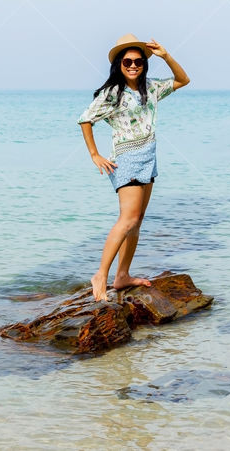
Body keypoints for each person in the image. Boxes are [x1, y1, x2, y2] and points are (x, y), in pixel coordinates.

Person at [77, 33, 190, 302]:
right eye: (127, 61)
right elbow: (85, 119)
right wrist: (94, 154)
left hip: (149, 157)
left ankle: (122, 276)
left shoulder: (150, 89)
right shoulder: (112, 94)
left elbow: (183, 80)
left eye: (138, 61)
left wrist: (166, 55)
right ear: (119, 63)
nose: (133, 65)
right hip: (125, 159)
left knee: (137, 221)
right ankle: (101, 276)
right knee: (127, 219)